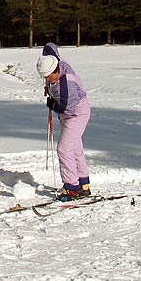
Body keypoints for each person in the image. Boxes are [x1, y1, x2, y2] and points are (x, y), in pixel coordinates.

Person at [36, 42, 91, 201]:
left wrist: (53, 105)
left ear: (55, 70)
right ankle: (83, 184)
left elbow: (66, 107)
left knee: (64, 149)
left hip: (76, 114)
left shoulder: (67, 83)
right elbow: (50, 47)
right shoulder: (54, 62)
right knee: (75, 148)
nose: (47, 79)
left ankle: (71, 187)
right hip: (68, 115)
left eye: (48, 76)